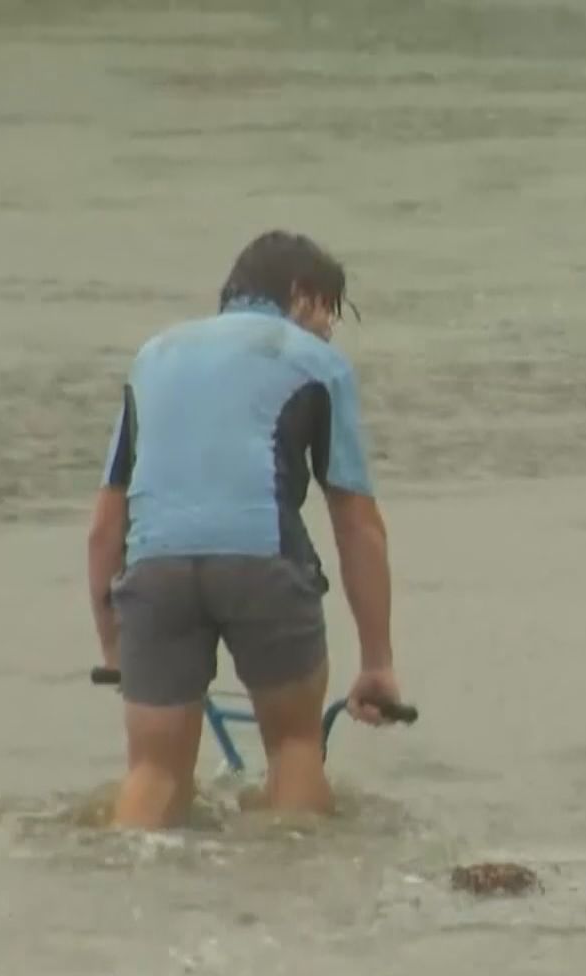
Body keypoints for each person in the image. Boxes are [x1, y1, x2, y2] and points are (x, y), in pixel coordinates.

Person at [86, 229, 407, 830]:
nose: (329, 330)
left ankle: (123, 897)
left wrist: (114, 647)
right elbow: (356, 523)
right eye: (329, 314)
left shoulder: (153, 356)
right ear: (302, 296)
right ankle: (296, 900)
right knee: (294, 747)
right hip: (263, 562)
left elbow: (106, 524)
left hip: (154, 572)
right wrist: (377, 662)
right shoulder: (317, 362)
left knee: (152, 771)